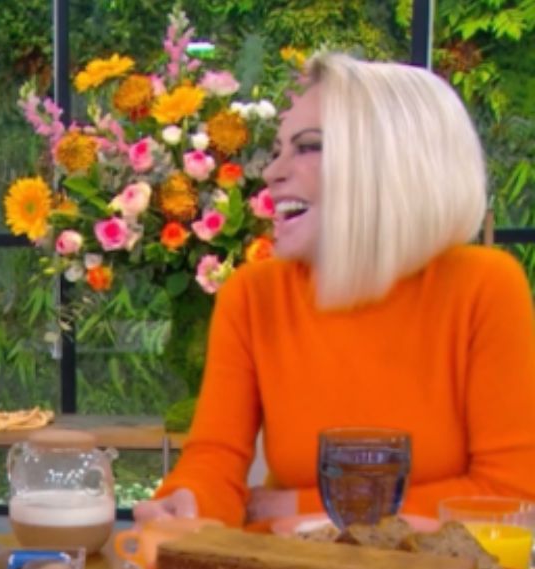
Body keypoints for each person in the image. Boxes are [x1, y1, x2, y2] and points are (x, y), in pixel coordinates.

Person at [135, 53, 535, 527]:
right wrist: (184, 502)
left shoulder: (484, 286)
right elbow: (214, 461)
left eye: (307, 147)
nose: (272, 172)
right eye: (279, 150)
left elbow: (510, 498)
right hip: (293, 568)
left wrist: (300, 506)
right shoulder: (253, 294)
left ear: (390, 163)